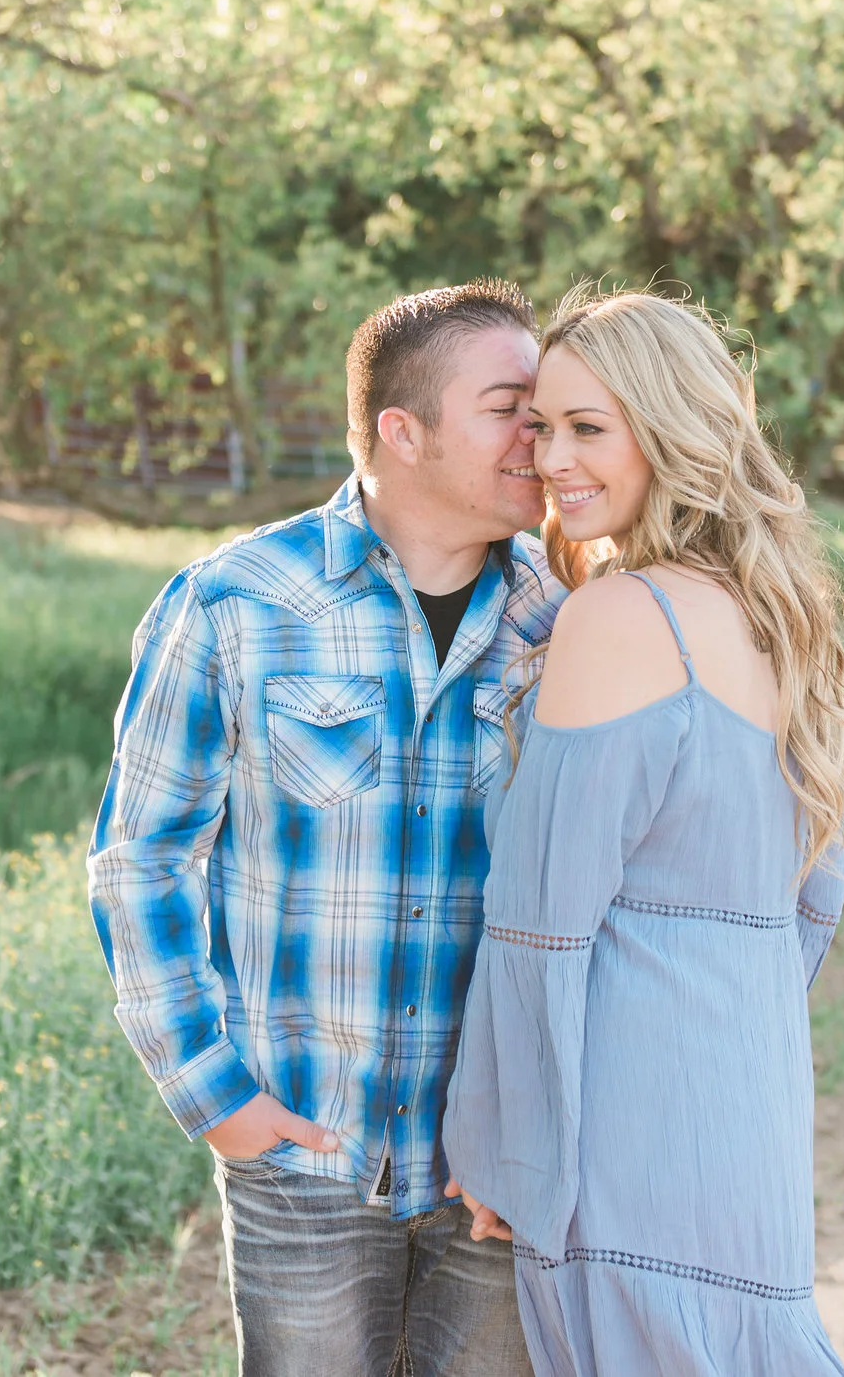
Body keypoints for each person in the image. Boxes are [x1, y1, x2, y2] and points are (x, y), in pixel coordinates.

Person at [89, 280, 567, 1376]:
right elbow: (142, 858)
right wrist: (218, 1098)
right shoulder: (233, 604)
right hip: (305, 1159)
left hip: (493, 1165)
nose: (537, 438)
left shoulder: (565, 620)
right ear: (403, 431)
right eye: (509, 407)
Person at [441, 289, 844, 1375]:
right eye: (540, 425)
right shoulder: (777, 614)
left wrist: (505, 1144)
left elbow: (541, 921)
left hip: (628, 1109)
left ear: (673, 430)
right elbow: (812, 900)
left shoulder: (621, 616)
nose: (551, 458)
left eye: (591, 427)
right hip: (745, 1096)